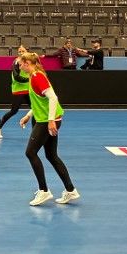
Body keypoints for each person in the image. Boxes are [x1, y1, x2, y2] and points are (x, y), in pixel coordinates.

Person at [18, 52, 79, 206]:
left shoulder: (38, 77)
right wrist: (29, 115)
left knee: (30, 153)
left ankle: (44, 191)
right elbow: (41, 101)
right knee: (52, 155)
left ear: (27, 63)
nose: (19, 66)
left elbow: (53, 98)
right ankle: (71, 190)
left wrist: (51, 120)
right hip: (46, 119)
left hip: (47, 121)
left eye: (20, 63)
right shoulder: (34, 76)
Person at [0, 45, 30, 139]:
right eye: (19, 52)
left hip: (28, 89)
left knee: (35, 109)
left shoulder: (29, 62)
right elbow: (17, 77)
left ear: (27, 52)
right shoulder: (16, 62)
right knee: (14, 111)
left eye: (23, 51)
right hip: (18, 90)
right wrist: (29, 80)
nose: (21, 53)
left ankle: (38, 130)